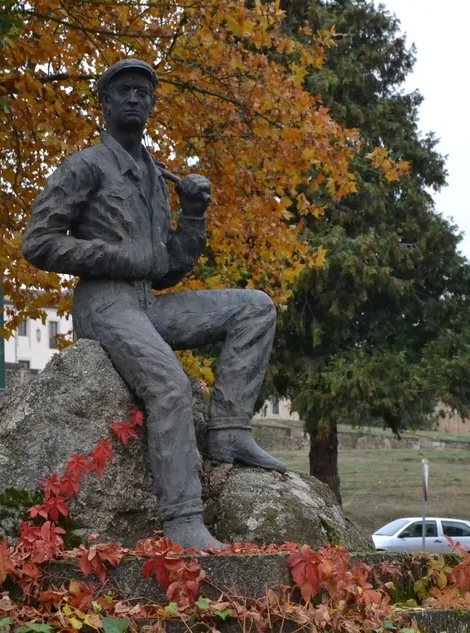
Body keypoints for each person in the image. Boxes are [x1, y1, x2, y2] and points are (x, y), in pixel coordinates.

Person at [21, 58, 286, 551]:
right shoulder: (84, 166)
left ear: (152, 105)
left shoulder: (155, 177)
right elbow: (38, 242)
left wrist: (194, 215)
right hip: (104, 304)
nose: (134, 98)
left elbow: (167, 269)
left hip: (147, 304)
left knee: (255, 307)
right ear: (104, 102)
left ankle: (229, 431)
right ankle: (183, 520)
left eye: (142, 93)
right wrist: (115, 256)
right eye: (123, 90)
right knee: (169, 384)